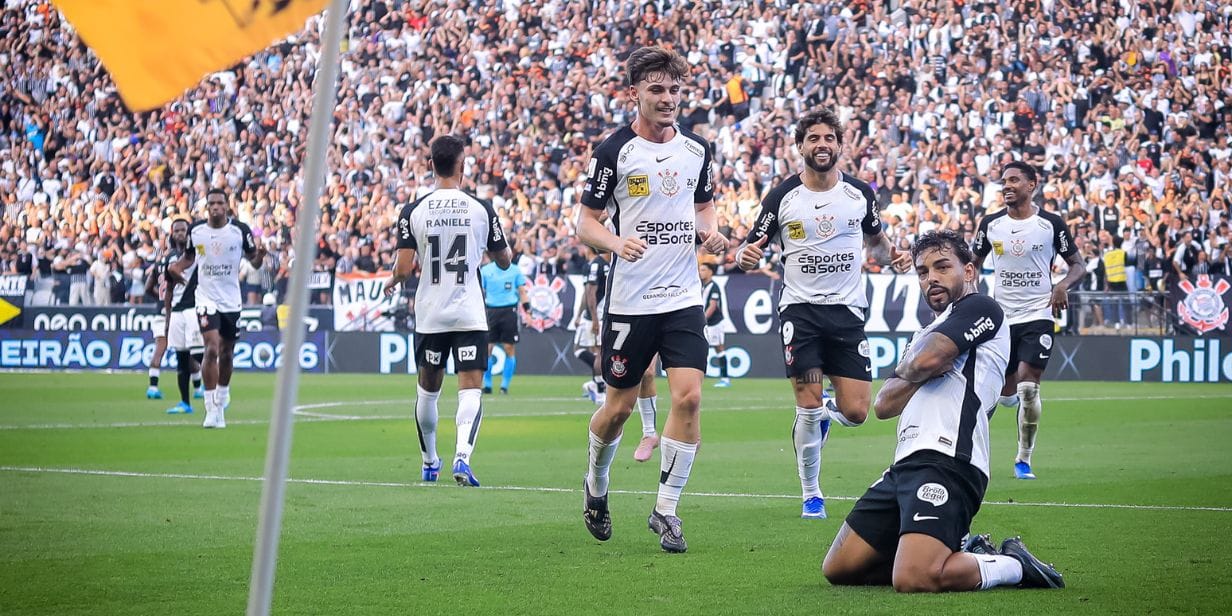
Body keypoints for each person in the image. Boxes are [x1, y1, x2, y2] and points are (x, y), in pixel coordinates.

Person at [822, 230, 1064, 592]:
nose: (930, 277)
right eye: (922, 271)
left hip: (950, 458)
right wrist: (923, 365)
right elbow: (884, 404)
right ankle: (958, 551)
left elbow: (927, 361)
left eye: (941, 267)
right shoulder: (926, 331)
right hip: (905, 463)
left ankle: (1013, 564)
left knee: (914, 578)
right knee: (839, 569)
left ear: (968, 271)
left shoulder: (981, 307)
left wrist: (924, 364)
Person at [577, 46, 727, 554]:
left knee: (689, 396)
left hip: (683, 296)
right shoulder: (613, 152)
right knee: (617, 408)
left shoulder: (697, 152)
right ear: (634, 93)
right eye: (657, 89)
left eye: (674, 89)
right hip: (630, 301)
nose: (667, 99)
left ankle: (666, 510)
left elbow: (705, 208)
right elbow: (585, 223)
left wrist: (711, 232)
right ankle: (596, 485)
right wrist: (617, 242)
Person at [735, 107, 909, 519]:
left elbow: (878, 244)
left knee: (857, 412)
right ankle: (811, 493)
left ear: (839, 146)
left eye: (829, 138)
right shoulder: (782, 197)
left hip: (847, 314)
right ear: (800, 147)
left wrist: (893, 256)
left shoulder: (859, 194)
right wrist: (745, 255)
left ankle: (829, 415)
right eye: (813, 138)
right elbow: (749, 247)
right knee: (807, 403)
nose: (822, 145)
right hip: (802, 315)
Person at [382, 134, 512, 487]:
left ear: (430, 165)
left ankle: (429, 462)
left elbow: (405, 268)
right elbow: (504, 261)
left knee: (428, 390)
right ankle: (462, 457)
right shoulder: (481, 208)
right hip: (469, 310)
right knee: (470, 388)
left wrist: (393, 279)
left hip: (430, 313)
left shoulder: (413, 211)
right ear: (462, 165)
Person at [972, 161, 1085, 480]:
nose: (1006, 185)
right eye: (1003, 181)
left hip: (1038, 313)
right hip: (1000, 318)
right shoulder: (991, 224)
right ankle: (972, 447)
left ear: (1032, 185)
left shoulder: (1050, 224)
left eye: (1014, 180)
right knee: (1000, 395)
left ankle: (1023, 459)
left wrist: (1062, 284)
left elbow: (1078, 265)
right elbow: (972, 265)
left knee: (1027, 388)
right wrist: (972, 295)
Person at [169, 188, 266, 429]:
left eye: (219, 203)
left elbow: (254, 259)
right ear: (207, 207)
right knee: (210, 349)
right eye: (211, 203)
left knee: (227, 353)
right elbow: (189, 258)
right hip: (205, 299)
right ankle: (211, 409)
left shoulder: (239, 231)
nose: (215, 207)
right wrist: (176, 269)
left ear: (226, 206)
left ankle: (223, 392)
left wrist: (261, 257)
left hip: (231, 300)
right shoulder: (196, 231)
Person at [571, 244, 663, 462]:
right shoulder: (609, 256)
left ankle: (655, 432)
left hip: (660, 307)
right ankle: (600, 389)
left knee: (650, 372)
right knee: (628, 383)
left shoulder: (657, 251)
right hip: (623, 313)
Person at [159, 218, 205, 415]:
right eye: (176, 230)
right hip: (177, 311)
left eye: (183, 230)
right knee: (181, 357)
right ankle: (185, 403)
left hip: (194, 308)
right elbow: (169, 289)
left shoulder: (198, 253)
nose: (179, 233)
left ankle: (219, 393)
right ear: (171, 233)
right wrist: (168, 318)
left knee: (200, 355)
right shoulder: (169, 258)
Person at [479, 252, 529, 394]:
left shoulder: (515, 270)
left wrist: (528, 311)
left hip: (509, 311)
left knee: (509, 348)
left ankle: (504, 386)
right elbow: (480, 291)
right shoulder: (486, 270)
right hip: (491, 311)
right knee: (488, 348)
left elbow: (522, 292)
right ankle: (487, 385)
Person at [699, 261, 731, 387]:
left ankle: (725, 378)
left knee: (719, 348)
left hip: (715, 323)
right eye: (700, 270)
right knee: (703, 348)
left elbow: (713, 306)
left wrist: (702, 319)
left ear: (710, 272)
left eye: (703, 270)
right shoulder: (703, 286)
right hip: (707, 323)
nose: (701, 272)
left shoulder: (714, 286)